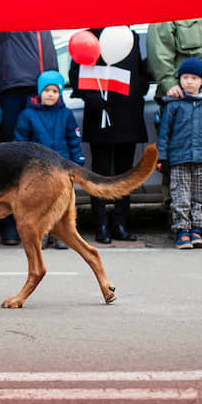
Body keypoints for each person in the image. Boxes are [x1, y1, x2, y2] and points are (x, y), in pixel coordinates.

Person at [147, 15, 202, 214]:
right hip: (182, 100)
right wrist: (169, 84)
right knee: (178, 162)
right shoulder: (171, 9)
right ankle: (178, 218)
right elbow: (158, 51)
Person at [69, 27, 149, 244]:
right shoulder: (88, 37)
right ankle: (101, 224)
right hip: (99, 116)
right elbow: (75, 75)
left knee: (126, 174)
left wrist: (136, 90)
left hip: (127, 114)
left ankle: (120, 223)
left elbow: (142, 72)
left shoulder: (129, 36)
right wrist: (90, 97)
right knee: (101, 173)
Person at [0, 30, 58, 244]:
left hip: (38, 90)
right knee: (10, 162)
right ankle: (9, 223)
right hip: (9, 93)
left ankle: (44, 224)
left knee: (40, 163)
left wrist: (52, 88)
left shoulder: (42, 24)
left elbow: (51, 58)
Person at [14, 71, 85, 249]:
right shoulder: (27, 115)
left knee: (60, 202)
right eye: (46, 90)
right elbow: (21, 141)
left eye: (54, 91)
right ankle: (41, 234)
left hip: (62, 166)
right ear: (39, 92)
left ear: (60, 93)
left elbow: (73, 139)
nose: (50, 94)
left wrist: (78, 158)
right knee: (39, 204)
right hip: (38, 170)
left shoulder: (66, 114)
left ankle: (61, 235)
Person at [156, 58, 202, 249]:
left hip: (201, 158)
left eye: (194, 78)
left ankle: (197, 230)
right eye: (185, 77)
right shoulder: (173, 105)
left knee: (199, 197)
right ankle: (182, 230)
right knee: (180, 196)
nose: (189, 82)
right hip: (179, 159)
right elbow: (164, 134)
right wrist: (162, 158)